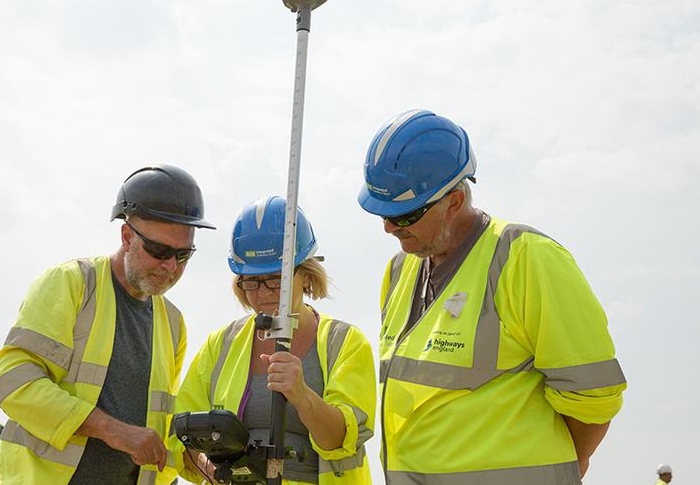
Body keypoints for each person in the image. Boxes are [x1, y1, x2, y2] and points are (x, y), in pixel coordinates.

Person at [357, 109, 627, 484]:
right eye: (382, 214)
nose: (388, 227)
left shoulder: (525, 258)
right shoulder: (399, 271)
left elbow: (593, 396)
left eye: (404, 215)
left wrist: (560, 466)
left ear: (453, 201)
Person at [0, 165, 215, 485]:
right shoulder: (71, 285)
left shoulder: (173, 323)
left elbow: (160, 430)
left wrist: (200, 462)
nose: (170, 266)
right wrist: (112, 431)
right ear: (126, 236)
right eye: (160, 251)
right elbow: (13, 381)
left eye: (183, 255)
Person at [173, 195, 375, 484]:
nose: (264, 293)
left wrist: (302, 394)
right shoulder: (221, 343)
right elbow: (180, 433)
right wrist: (211, 468)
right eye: (251, 281)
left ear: (305, 275)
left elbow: (339, 441)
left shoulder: (345, 343)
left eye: (276, 279)